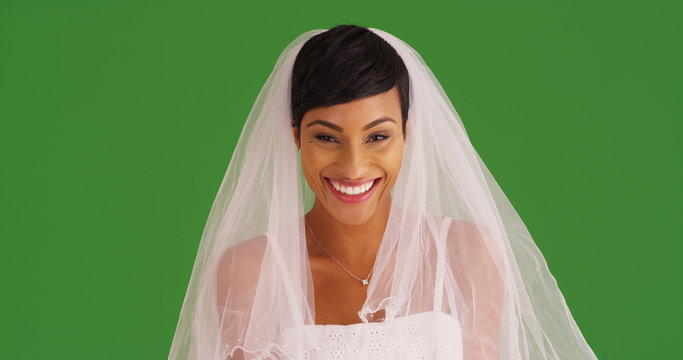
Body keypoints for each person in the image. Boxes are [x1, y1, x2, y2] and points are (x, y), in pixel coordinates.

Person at [167, 25, 598, 360]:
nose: (354, 166)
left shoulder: (469, 256)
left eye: (377, 137)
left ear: (408, 134)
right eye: (327, 138)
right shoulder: (250, 272)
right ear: (296, 137)